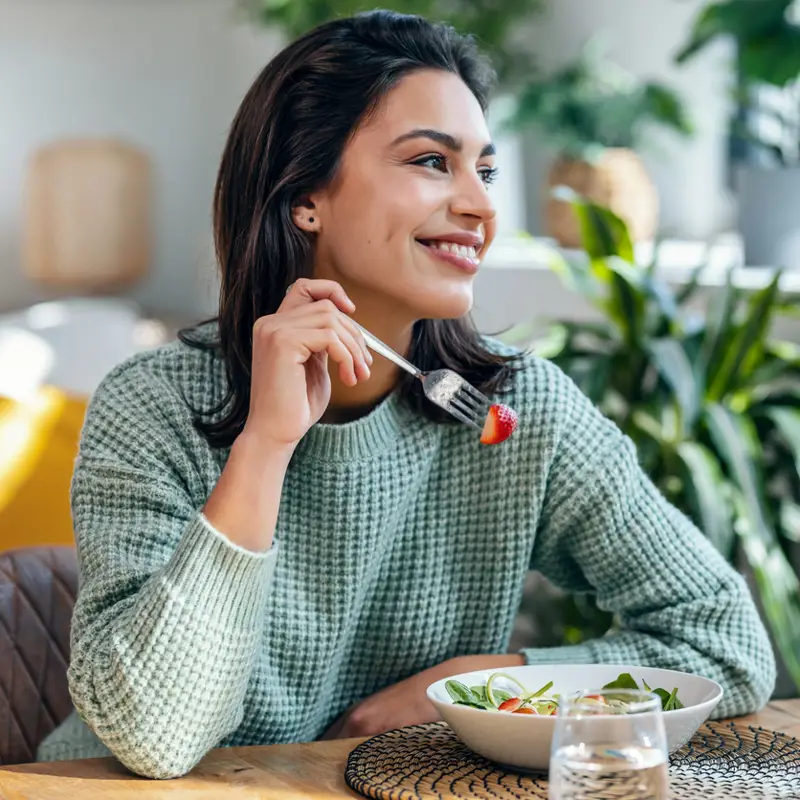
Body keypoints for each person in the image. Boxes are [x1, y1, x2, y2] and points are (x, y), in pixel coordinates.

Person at [38, 9, 775, 780]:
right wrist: (264, 444)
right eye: (432, 162)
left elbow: (723, 642)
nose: (482, 208)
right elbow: (155, 737)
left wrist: (472, 687)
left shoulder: (516, 412)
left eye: (484, 171)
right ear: (306, 195)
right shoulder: (150, 406)